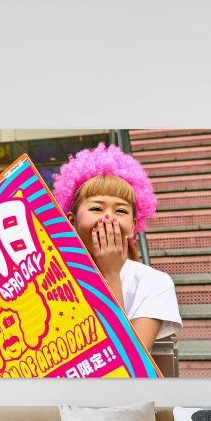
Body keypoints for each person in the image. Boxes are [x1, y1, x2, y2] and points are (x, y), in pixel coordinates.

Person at [52, 143, 182, 364]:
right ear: (72, 221)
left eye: (120, 210)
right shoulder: (49, 277)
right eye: (96, 208)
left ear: (133, 225)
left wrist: (110, 275)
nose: (108, 218)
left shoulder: (154, 283)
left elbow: (130, 364)